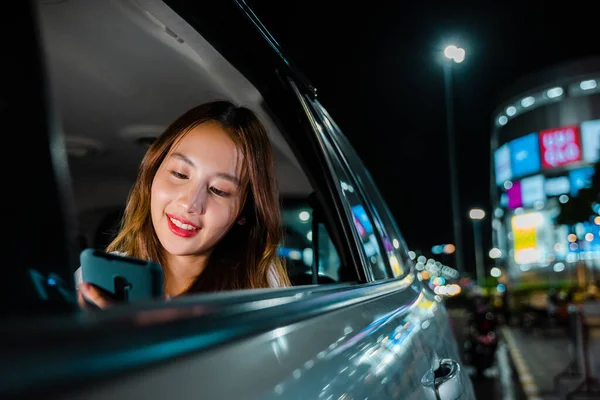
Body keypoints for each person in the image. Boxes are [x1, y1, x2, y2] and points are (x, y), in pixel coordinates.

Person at [77, 100, 291, 309]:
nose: (190, 203)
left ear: (244, 212)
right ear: (152, 174)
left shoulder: (263, 294)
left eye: (219, 190)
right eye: (179, 174)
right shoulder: (91, 282)